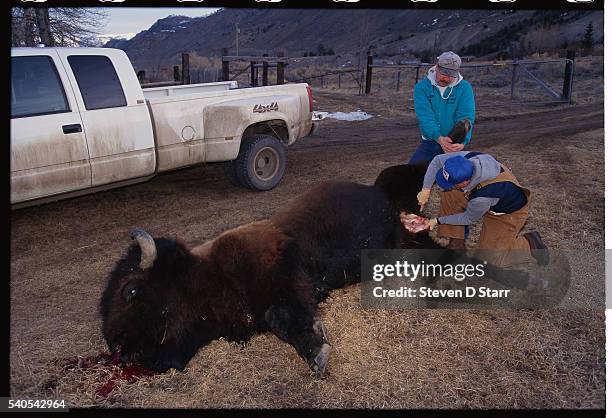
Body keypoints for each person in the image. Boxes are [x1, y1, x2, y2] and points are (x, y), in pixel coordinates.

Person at [407, 151, 549, 268]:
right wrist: (426, 189)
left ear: (464, 182)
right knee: (450, 193)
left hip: (506, 214)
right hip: (484, 197)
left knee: (488, 261)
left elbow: (468, 218)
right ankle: (456, 244)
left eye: (450, 183)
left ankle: (529, 243)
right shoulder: (466, 160)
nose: (443, 185)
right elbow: (437, 160)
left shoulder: (483, 196)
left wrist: (437, 220)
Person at [409, 51, 476, 165]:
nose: (447, 78)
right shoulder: (422, 88)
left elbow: (466, 117)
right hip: (431, 140)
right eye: (444, 73)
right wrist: (439, 138)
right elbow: (426, 118)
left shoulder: (464, 88)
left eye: (451, 75)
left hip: (454, 143)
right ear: (436, 68)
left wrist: (463, 142)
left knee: (457, 177)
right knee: (412, 175)